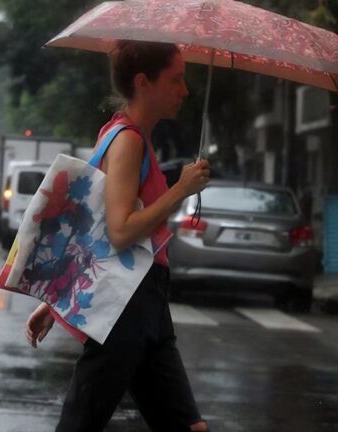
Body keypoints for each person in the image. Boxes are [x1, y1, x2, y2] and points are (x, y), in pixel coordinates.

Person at [25, 41, 211, 432]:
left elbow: (91, 228)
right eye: (176, 79)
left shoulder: (121, 133)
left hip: (146, 301)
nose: (185, 90)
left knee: (188, 427)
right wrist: (181, 189)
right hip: (127, 306)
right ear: (144, 82)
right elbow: (120, 230)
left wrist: (58, 301)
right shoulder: (127, 140)